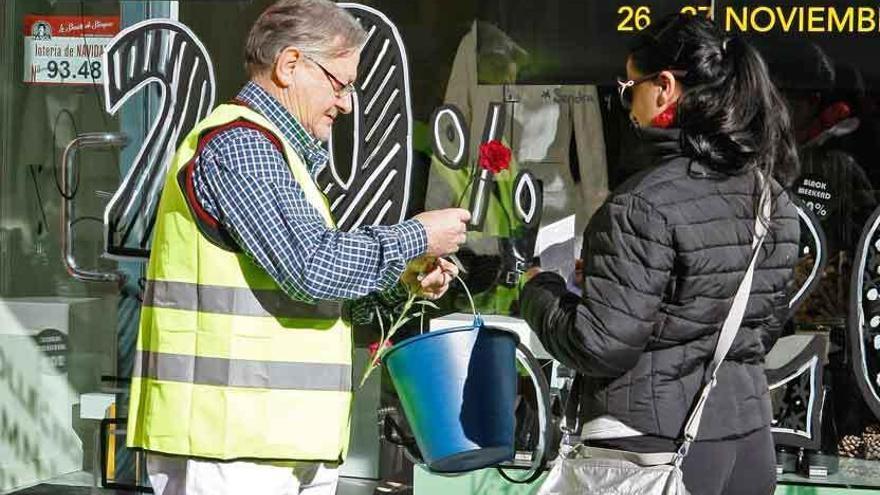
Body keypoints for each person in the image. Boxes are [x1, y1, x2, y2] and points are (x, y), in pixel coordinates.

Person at [126, 1, 470, 494]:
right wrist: (417, 234)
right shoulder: (240, 145)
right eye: (340, 83)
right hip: (232, 443)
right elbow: (310, 267)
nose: (347, 102)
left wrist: (402, 279)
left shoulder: (275, 152)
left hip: (267, 441)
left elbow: (315, 294)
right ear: (290, 65)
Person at [520, 14, 800, 495]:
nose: (627, 100)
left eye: (630, 85)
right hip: (747, 441)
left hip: (651, 450)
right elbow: (762, 325)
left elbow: (600, 344)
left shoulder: (642, 202)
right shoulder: (772, 199)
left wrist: (538, 290)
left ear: (665, 87)